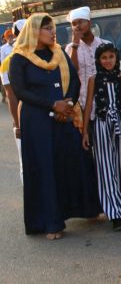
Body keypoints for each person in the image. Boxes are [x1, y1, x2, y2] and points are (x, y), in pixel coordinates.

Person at [9, 13, 101, 240]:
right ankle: (51, 222)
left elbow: (75, 79)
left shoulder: (58, 53)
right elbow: (21, 91)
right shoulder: (19, 58)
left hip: (64, 117)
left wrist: (67, 104)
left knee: (74, 160)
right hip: (38, 122)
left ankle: (86, 209)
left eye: (52, 28)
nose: (53, 32)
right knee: (46, 168)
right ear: (34, 32)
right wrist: (52, 105)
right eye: (47, 28)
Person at [81, 43, 121, 232]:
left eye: (111, 57)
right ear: (98, 60)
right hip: (102, 125)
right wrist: (85, 131)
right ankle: (115, 214)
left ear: (116, 58)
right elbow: (88, 106)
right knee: (105, 168)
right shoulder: (94, 79)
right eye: (104, 58)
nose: (108, 61)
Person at [65, 6, 109, 115]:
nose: (78, 26)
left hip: (106, 101)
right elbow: (72, 72)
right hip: (82, 104)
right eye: (74, 24)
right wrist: (75, 45)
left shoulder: (106, 44)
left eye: (80, 22)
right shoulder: (70, 49)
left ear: (89, 23)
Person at [1, 19, 24, 182]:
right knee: (27, 162)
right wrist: (18, 124)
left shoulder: (50, 55)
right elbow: (11, 95)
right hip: (24, 118)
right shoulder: (9, 62)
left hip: (47, 117)